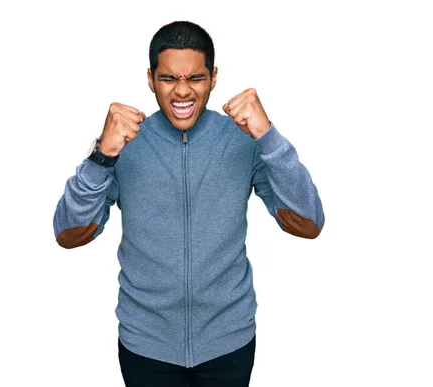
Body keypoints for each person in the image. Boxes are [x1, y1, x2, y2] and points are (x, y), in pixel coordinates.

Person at [53, 20, 325, 387]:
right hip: (145, 346)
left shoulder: (243, 140)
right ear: (150, 79)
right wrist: (101, 157)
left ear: (213, 78)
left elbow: (310, 224)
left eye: (195, 78)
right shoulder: (124, 142)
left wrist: (268, 136)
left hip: (228, 343)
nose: (183, 91)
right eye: (168, 79)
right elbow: (69, 234)